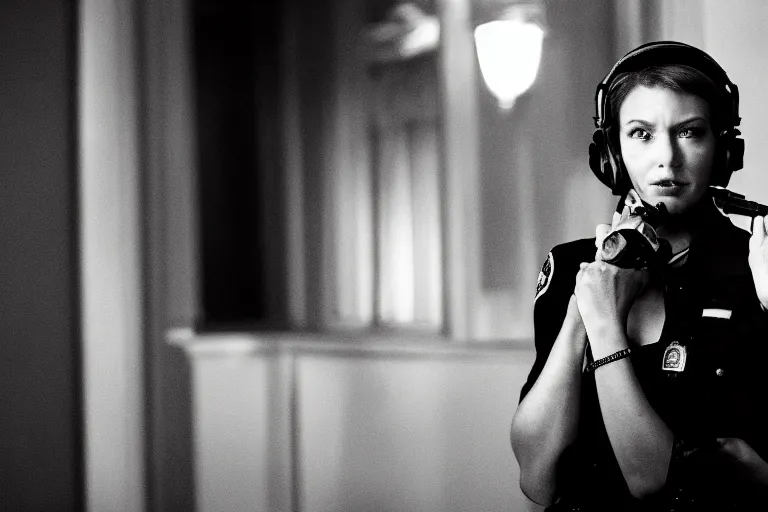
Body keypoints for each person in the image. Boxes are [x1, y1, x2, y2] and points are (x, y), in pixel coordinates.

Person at [509, 41, 768, 511]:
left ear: (724, 150)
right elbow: (537, 478)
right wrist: (584, 307)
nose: (666, 158)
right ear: (611, 152)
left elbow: (655, 483)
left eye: (690, 132)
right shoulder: (573, 266)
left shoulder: (757, 268)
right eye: (641, 134)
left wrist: (606, 327)